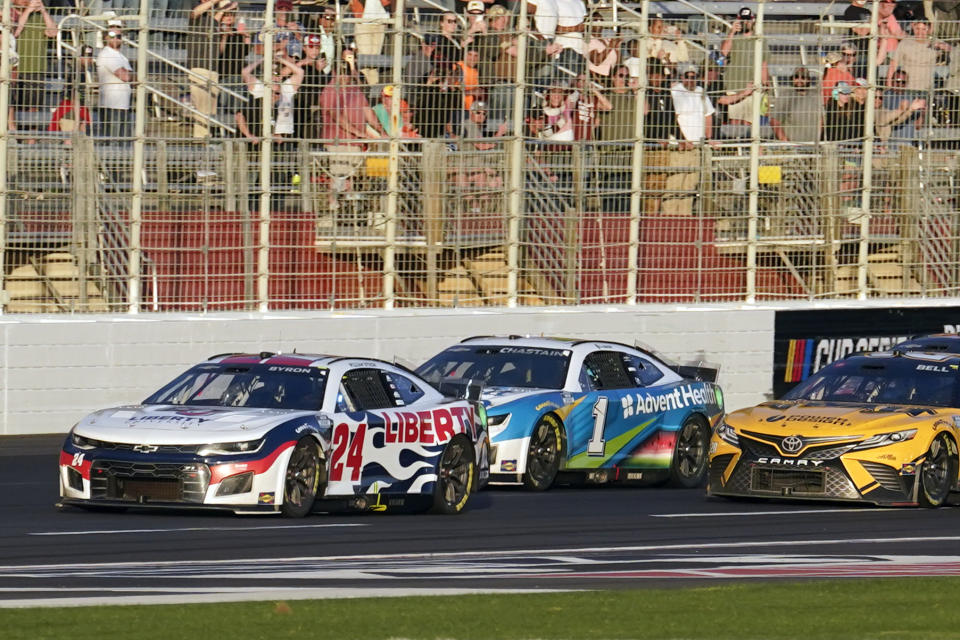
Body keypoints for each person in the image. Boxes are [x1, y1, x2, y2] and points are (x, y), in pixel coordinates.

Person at [187, 0, 238, 138]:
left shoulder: (215, 24)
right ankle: (201, 139)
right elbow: (195, 13)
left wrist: (225, 36)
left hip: (212, 70)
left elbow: (218, 52)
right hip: (199, 68)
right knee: (202, 108)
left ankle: (205, 138)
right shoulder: (199, 19)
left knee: (210, 110)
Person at [12, 0, 58, 141]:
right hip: (17, 70)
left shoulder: (39, 17)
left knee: (33, 108)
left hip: (37, 69)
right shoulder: (12, 14)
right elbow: (15, 32)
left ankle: (31, 142)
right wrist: (27, 11)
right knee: (17, 108)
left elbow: (53, 32)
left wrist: (43, 10)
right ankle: (17, 140)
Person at [887, 17, 950, 96]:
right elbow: (893, 65)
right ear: (913, 27)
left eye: (924, 29)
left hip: (927, 90)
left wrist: (943, 46)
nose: (920, 32)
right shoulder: (905, 43)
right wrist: (889, 87)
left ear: (929, 29)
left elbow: (951, 50)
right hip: (907, 89)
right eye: (917, 28)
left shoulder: (935, 42)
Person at [96, 26, 134, 142]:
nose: (116, 39)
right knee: (112, 142)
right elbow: (126, 76)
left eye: (119, 36)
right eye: (112, 36)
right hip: (111, 104)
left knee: (123, 142)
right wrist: (134, 76)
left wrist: (131, 76)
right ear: (106, 38)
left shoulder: (121, 56)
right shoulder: (107, 53)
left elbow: (128, 76)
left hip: (122, 104)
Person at [770, 66, 821, 143]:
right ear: (792, 79)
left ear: (808, 80)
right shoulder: (785, 97)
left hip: (814, 146)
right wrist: (784, 141)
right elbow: (774, 121)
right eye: (796, 77)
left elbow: (822, 121)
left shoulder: (816, 97)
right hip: (792, 147)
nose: (799, 80)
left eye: (803, 77)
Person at [670, 63, 715, 146]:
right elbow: (673, 119)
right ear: (682, 77)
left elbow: (708, 116)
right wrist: (682, 140)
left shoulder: (701, 91)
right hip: (683, 144)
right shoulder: (675, 91)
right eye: (687, 77)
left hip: (700, 142)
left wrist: (709, 139)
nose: (690, 80)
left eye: (693, 77)